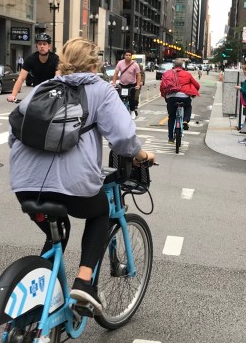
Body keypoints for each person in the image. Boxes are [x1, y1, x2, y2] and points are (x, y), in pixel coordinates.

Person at [9, 37, 155, 314]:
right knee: (100, 212)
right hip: (72, 185)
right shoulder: (100, 89)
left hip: (24, 183)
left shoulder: (43, 87)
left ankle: (40, 292)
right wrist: (141, 155)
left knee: (57, 231)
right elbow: (124, 138)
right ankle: (84, 283)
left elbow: (13, 133)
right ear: (94, 64)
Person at [7, 33, 59, 102]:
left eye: (44, 44)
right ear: (36, 46)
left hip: (52, 91)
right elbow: (21, 78)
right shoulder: (31, 59)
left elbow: (58, 78)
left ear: (49, 46)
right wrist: (13, 95)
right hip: (37, 92)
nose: (42, 46)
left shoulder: (55, 59)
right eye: (40, 44)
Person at [160, 58, 200, 143]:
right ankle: (185, 120)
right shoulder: (187, 74)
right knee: (188, 106)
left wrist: (165, 96)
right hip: (184, 96)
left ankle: (171, 138)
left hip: (171, 97)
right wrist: (193, 92)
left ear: (174, 65)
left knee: (171, 117)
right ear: (182, 66)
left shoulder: (167, 73)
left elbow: (162, 86)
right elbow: (197, 85)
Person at [111, 50, 143, 117]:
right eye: (126, 55)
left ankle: (132, 111)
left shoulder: (135, 64)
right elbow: (116, 73)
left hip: (131, 85)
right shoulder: (120, 63)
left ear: (131, 56)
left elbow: (138, 75)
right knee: (119, 98)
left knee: (131, 98)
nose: (128, 56)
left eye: (129, 55)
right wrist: (114, 83)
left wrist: (138, 85)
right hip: (122, 84)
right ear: (124, 56)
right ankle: (119, 111)